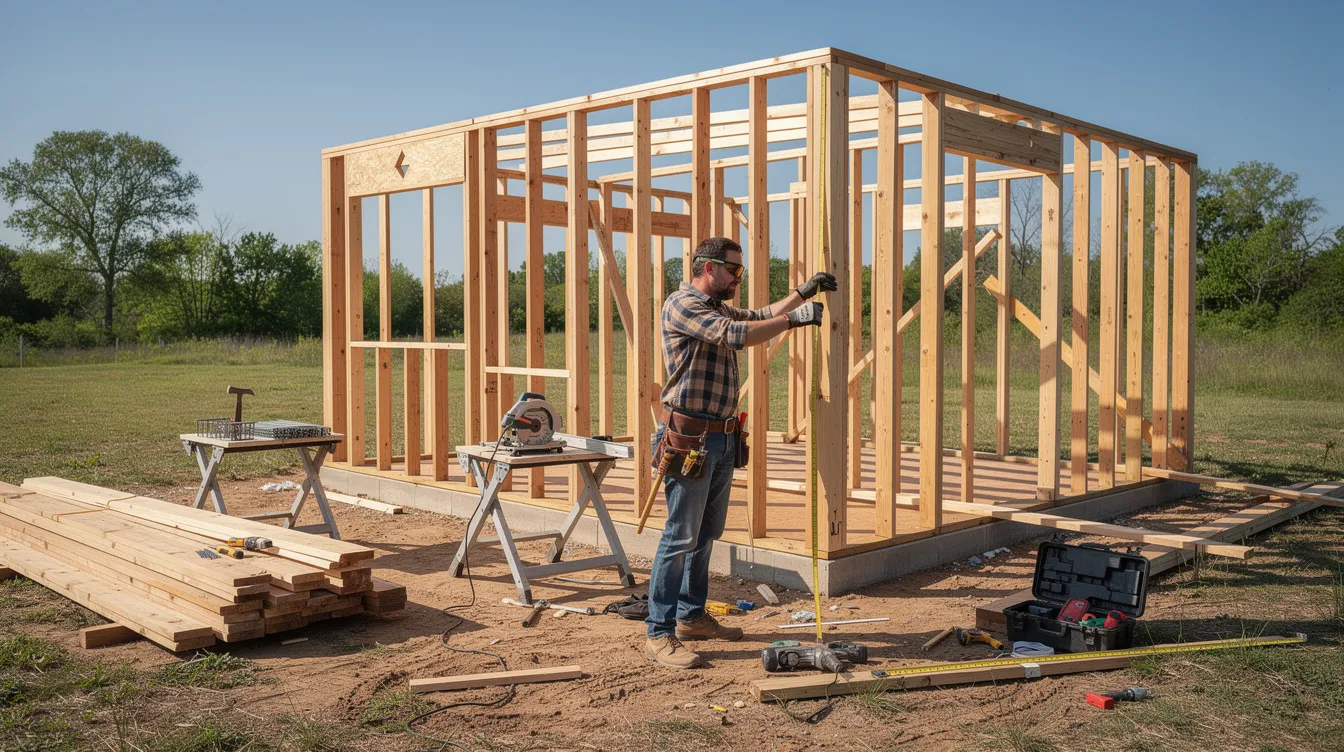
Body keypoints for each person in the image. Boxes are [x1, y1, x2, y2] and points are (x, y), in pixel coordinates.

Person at [644, 236, 836, 669]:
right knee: (679, 536)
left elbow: (761, 315)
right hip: (690, 438)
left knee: (705, 533)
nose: (737, 278)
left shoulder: (717, 306)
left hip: (723, 437)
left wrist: (802, 293)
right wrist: (797, 320)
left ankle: (691, 616)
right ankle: (659, 631)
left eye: (740, 271)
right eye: (734, 270)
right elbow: (737, 335)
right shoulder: (683, 304)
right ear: (708, 267)